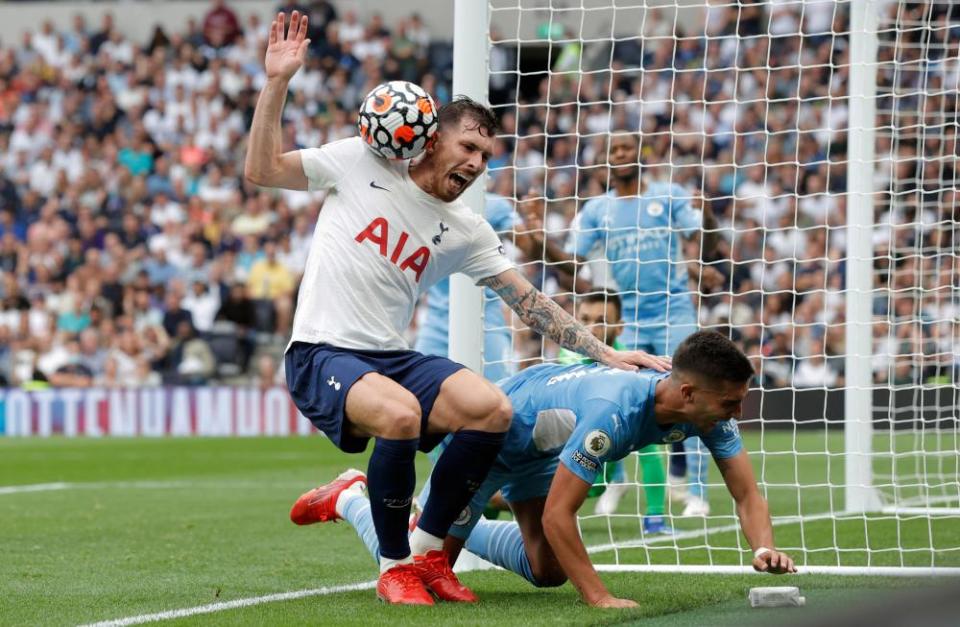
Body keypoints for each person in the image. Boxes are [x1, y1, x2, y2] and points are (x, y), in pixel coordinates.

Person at [244, 12, 670, 606]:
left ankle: (429, 554)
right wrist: (277, 83)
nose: (475, 163)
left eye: (486, 156)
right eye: (468, 146)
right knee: (398, 417)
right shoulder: (360, 162)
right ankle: (394, 566)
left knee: (489, 409)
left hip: (389, 357)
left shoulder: (466, 228)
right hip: (321, 351)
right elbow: (261, 170)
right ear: (432, 136)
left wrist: (607, 353)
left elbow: (528, 301)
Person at [295, 331, 796, 608]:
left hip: (539, 449)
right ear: (688, 393)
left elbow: (747, 495)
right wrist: (600, 597)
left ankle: (446, 522)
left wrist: (764, 547)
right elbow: (561, 514)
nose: (737, 413)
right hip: (488, 441)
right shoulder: (614, 412)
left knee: (549, 571)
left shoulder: (706, 412)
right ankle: (350, 496)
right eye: (730, 402)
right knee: (420, 570)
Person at [533, 131, 724, 516]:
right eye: (613, 149)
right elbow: (573, 264)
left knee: (694, 395)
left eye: (626, 148)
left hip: (674, 313)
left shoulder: (667, 196)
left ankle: (696, 492)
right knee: (618, 400)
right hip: (630, 320)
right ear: (605, 160)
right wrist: (541, 245)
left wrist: (706, 215)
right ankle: (617, 480)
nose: (620, 154)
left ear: (641, 156)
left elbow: (707, 241)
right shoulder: (596, 210)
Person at [556, 291, 671, 534]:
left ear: (619, 328)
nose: (590, 328)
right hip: (565, 445)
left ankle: (655, 518)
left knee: (648, 442)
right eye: (584, 319)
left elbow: (650, 452)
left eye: (601, 320)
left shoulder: (633, 370)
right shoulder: (568, 359)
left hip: (600, 446)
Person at [414, 192, 519, 383]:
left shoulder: (494, 205)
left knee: (503, 395)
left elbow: (527, 242)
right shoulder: (421, 205)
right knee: (416, 393)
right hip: (436, 323)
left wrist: (533, 235)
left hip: (485, 321)